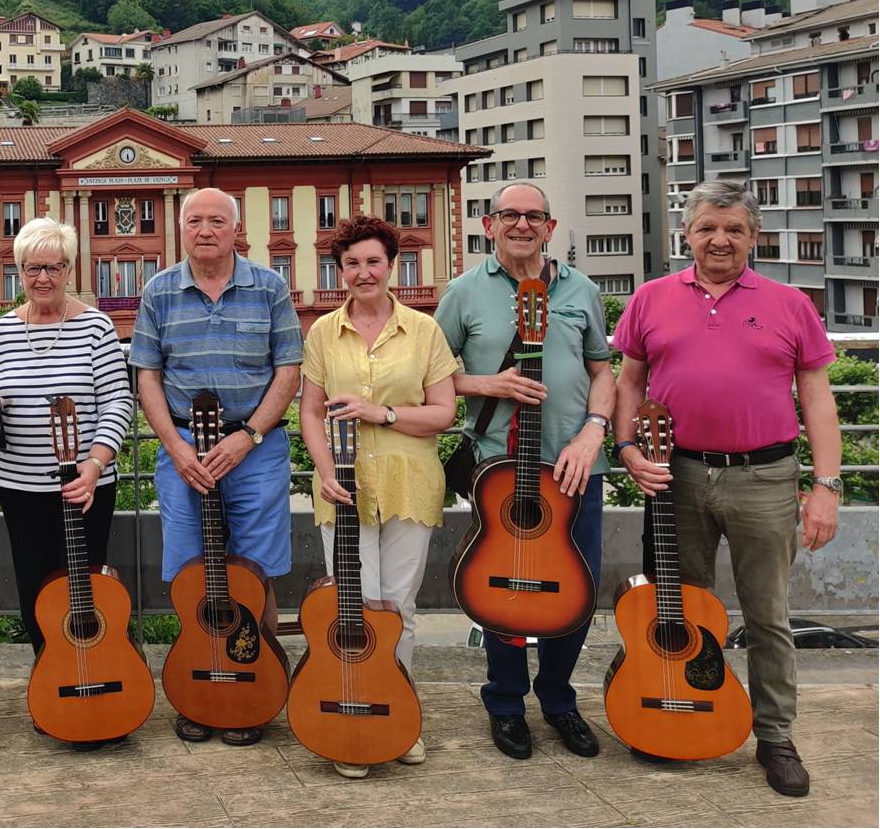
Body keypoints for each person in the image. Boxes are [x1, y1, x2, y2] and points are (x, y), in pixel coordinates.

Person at [612, 181, 839, 798]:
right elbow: (628, 382)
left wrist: (825, 485)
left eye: (735, 229)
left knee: (768, 616)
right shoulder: (651, 298)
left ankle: (774, 736)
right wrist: (628, 449)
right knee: (682, 610)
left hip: (766, 477)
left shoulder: (791, 302)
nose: (721, 240)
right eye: (709, 227)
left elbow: (817, 398)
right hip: (676, 473)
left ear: (753, 236)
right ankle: (676, 712)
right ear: (687, 234)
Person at [434, 181, 614, 762]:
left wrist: (594, 429)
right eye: (509, 215)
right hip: (499, 471)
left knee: (575, 586)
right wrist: (486, 382)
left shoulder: (581, 289)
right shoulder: (463, 292)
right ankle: (506, 704)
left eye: (533, 216)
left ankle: (560, 699)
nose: (521, 225)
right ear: (488, 226)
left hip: (575, 466)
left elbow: (602, 370)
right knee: (501, 586)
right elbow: (429, 375)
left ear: (550, 227)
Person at [131, 186, 303, 747]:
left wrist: (249, 435)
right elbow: (147, 376)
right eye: (194, 221)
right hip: (184, 446)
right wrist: (177, 447)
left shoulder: (270, 287)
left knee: (255, 573)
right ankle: (198, 692)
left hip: (255, 447)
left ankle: (255, 693)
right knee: (190, 574)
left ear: (236, 229)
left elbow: (288, 370)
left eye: (216, 221)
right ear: (181, 229)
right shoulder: (158, 291)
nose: (205, 230)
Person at [299, 215, 457, 777]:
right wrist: (322, 469)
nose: (363, 272)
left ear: (390, 265)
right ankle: (354, 716)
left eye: (373, 262)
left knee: (399, 606)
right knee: (354, 606)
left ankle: (399, 714)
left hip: (409, 479)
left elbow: (444, 412)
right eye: (351, 264)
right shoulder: (322, 331)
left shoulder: (424, 330)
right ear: (338, 270)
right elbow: (310, 411)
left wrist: (382, 413)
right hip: (341, 484)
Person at [0, 217, 133, 657]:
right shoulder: (2, 331)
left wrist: (95, 464)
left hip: (85, 486)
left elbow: (119, 403)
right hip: (19, 485)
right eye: (32, 268)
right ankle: (51, 673)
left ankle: (96, 667)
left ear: (68, 271)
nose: (42, 278)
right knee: (34, 585)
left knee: (85, 587)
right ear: (19, 271)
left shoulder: (97, 328)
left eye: (53, 268)